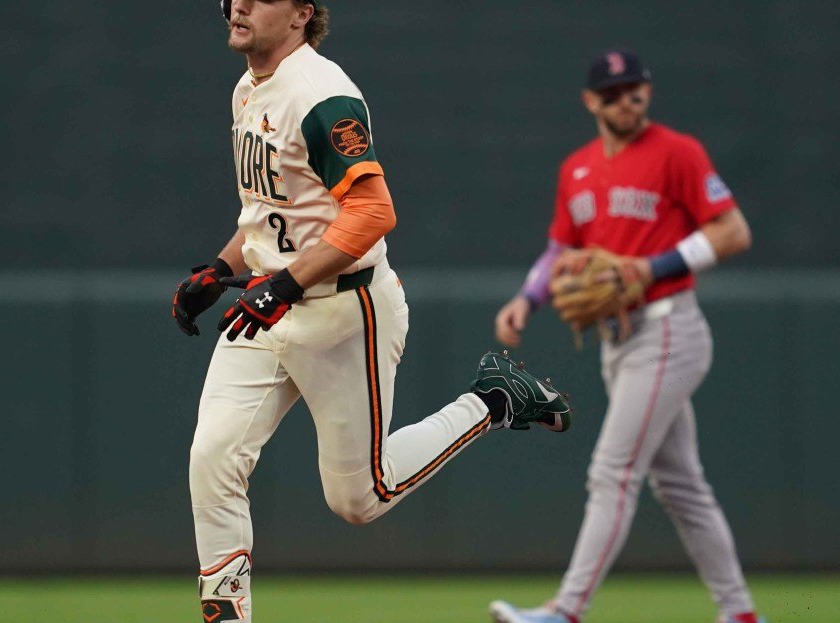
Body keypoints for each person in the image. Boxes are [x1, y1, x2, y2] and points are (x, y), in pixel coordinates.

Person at [170, 2, 571, 621]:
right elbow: (271, 211)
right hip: (272, 304)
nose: (240, 4)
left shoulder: (319, 92)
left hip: (343, 307)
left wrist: (284, 284)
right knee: (213, 458)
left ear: (302, 14)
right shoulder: (248, 88)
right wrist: (222, 269)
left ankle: (494, 400)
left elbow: (374, 212)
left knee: (360, 498)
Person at [488, 50, 765, 623]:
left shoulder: (677, 152)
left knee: (612, 472)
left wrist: (652, 267)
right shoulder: (577, 168)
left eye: (634, 88)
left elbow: (733, 231)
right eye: (611, 93)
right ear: (591, 101)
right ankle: (740, 614)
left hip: (667, 329)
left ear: (648, 92)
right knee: (682, 487)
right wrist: (527, 297)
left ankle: (565, 611)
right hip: (619, 340)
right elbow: (561, 248)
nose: (625, 100)